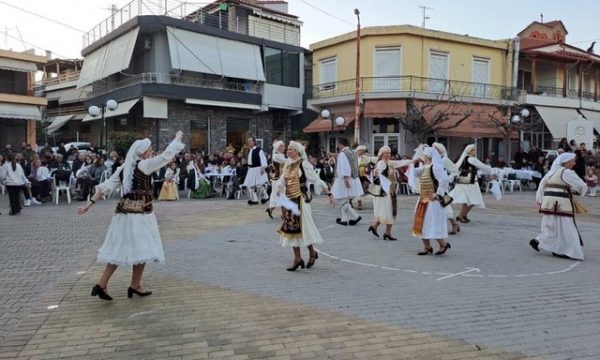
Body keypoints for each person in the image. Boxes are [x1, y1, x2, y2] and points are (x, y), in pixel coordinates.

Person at [77, 131, 185, 301]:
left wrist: (89, 205)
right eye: (149, 150)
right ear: (141, 153)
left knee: (121, 248)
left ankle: (104, 284)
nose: (151, 152)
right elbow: (165, 158)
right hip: (140, 215)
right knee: (143, 248)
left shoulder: (124, 169)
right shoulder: (144, 165)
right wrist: (177, 139)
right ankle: (133, 285)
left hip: (123, 214)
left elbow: (104, 187)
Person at [275, 141, 331, 271]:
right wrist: (278, 189)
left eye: (290, 149)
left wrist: (329, 193)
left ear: (297, 151)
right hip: (289, 201)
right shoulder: (288, 164)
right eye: (287, 149)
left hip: (300, 200)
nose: (288, 151)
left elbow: (315, 179)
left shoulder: (304, 164)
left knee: (304, 228)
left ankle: (311, 253)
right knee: (292, 229)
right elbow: (282, 180)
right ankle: (298, 258)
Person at [529, 153, 587, 260]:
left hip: (549, 202)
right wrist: (580, 190)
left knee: (552, 226)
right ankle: (565, 250)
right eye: (573, 161)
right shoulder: (567, 172)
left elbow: (542, 184)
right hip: (561, 203)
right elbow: (581, 186)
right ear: (567, 162)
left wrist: (540, 199)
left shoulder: (553, 171)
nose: (574, 164)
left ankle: (540, 241)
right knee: (566, 227)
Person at [412, 147, 451, 255]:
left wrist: (437, 193)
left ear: (428, 156)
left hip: (433, 202)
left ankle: (443, 244)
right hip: (422, 199)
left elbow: (444, 179)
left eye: (424, 155)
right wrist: (414, 161)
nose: (423, 157)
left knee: (432, 223)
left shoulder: (435, 167)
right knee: (421, 223)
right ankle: (427, 247)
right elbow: (413, 173)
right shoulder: (424, 167)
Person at [367, 146, 412, 240]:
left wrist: (413, 160)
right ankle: (386, 232)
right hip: (386, 192)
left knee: (389, 211)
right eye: (386, 153)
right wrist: (378, 172)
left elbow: (401, 162)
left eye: (389, 153)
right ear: (381, 154)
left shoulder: (390, 163)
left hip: (392, 190)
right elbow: (379, 174)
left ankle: (378, 229)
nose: (388, 155)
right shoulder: (381, 163)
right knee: (389, 211)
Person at [449, 144, 493, 223]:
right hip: (470, 182)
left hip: (464, 181)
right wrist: (492, 171)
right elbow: (483, 166)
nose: (475, 151)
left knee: (468, 200)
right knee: (473, 200)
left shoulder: (464, 159)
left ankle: (464, 215)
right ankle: (460, 215)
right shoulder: (472, 159)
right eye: (474, 150)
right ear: (470, 151)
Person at [331, 138, 363, 226]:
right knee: (344, 199)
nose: (338, 146)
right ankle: (344, 219)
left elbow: (345, 167)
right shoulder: (353, 152)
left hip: (344, 179)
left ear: (341, 144)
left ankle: (356, 216)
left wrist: (345, 179)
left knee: (340, 198)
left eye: (339, 145)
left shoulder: (343, 153)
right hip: (352, 178)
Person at [432, 142, 461, 234]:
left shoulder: (444, 159)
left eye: (435, 149)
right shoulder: (433, 159)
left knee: (443, 203)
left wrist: (448, 179)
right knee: (439, 205)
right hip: (434, 185)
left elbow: (455, 170)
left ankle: (454, 223)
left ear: (440, 150)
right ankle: (450, 224)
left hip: (441, 186)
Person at [243, 137, 268, 205]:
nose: (249, 142)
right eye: (248, 141)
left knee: (259, 185)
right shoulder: (250, 150)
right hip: (251, 170)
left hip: (258, 169)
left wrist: (263, 168)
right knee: (250, 185)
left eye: (250, 141)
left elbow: (263, 159)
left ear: (254, 142)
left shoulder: (259, 150)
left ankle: (265, 197)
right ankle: (255, 199)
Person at [266, 140, 286, 219]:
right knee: (278, 195)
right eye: (282, 146)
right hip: (277, 179)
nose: (283, 148)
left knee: (282, 195)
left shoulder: (281, 155)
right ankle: (282, 214)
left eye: (284, 146)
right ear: (277, 147)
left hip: (282, 178)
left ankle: (271, 209)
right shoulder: (276, 156)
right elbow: (287, 162)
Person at [356, 145, 377, 210]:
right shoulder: (354, 158)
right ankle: (357, 203)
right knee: (357, 190)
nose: (362, 152)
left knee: (371, 188)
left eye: (363, 151)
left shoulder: (366, 158)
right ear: (357, 151)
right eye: (360, 150)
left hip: (365, 176)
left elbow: (372, 162)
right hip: (356, 176)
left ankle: (376, 203)